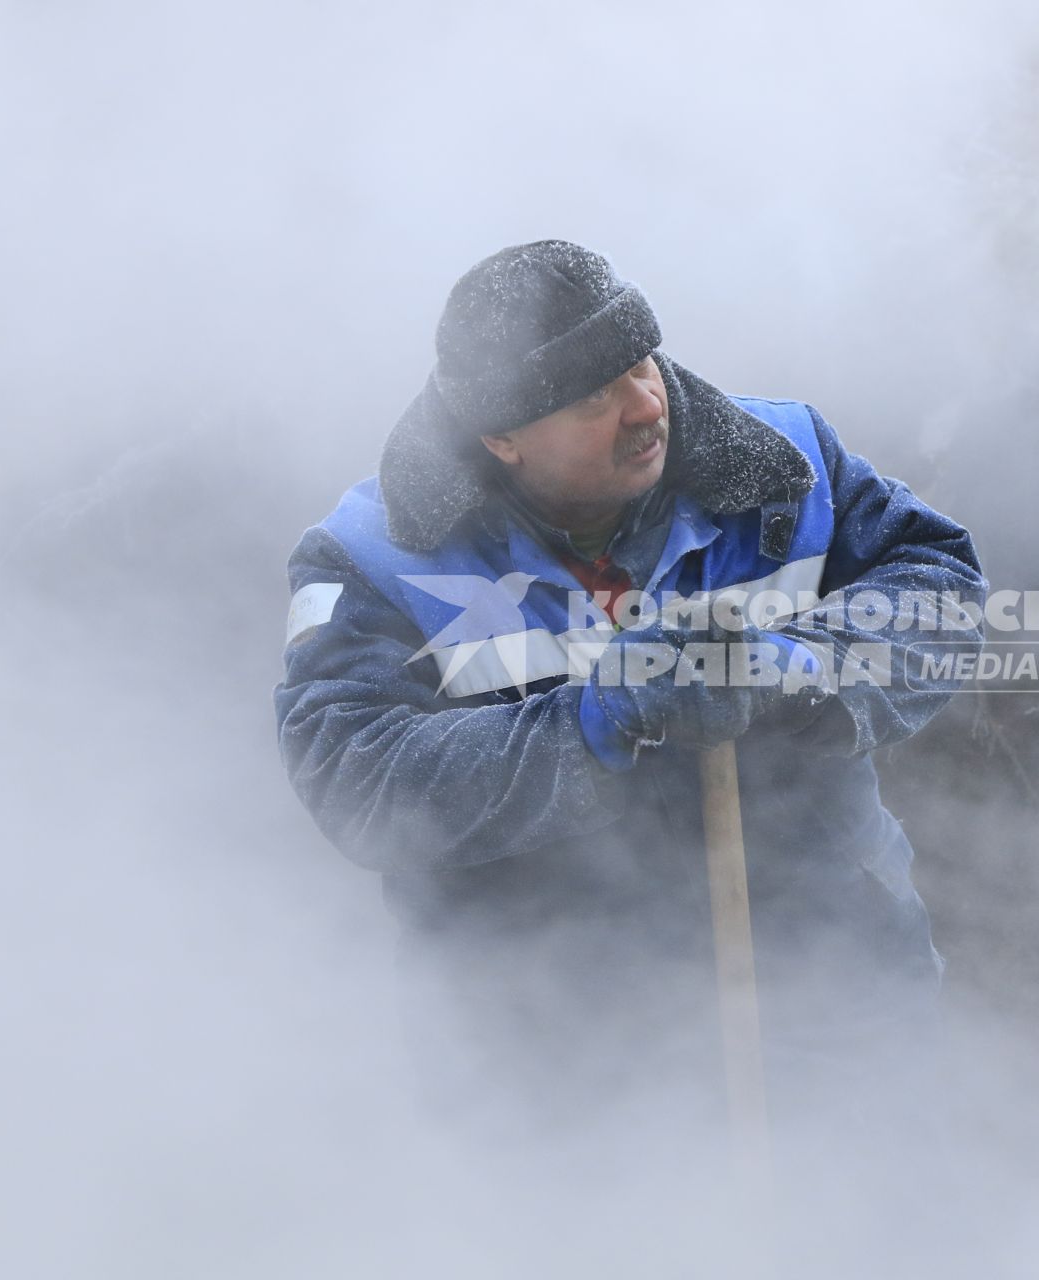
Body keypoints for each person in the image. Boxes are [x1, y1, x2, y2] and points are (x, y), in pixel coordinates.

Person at [273, 240, 986, 1144]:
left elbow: (939, 587)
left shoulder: (787, 467)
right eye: (593, 398)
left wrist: (803, 669)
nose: (647, 406)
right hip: (548, 1052)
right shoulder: (373, 560)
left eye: (638, 364)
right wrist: (595, 720)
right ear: (501, 439)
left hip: (833, 986)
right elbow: (358, 782)